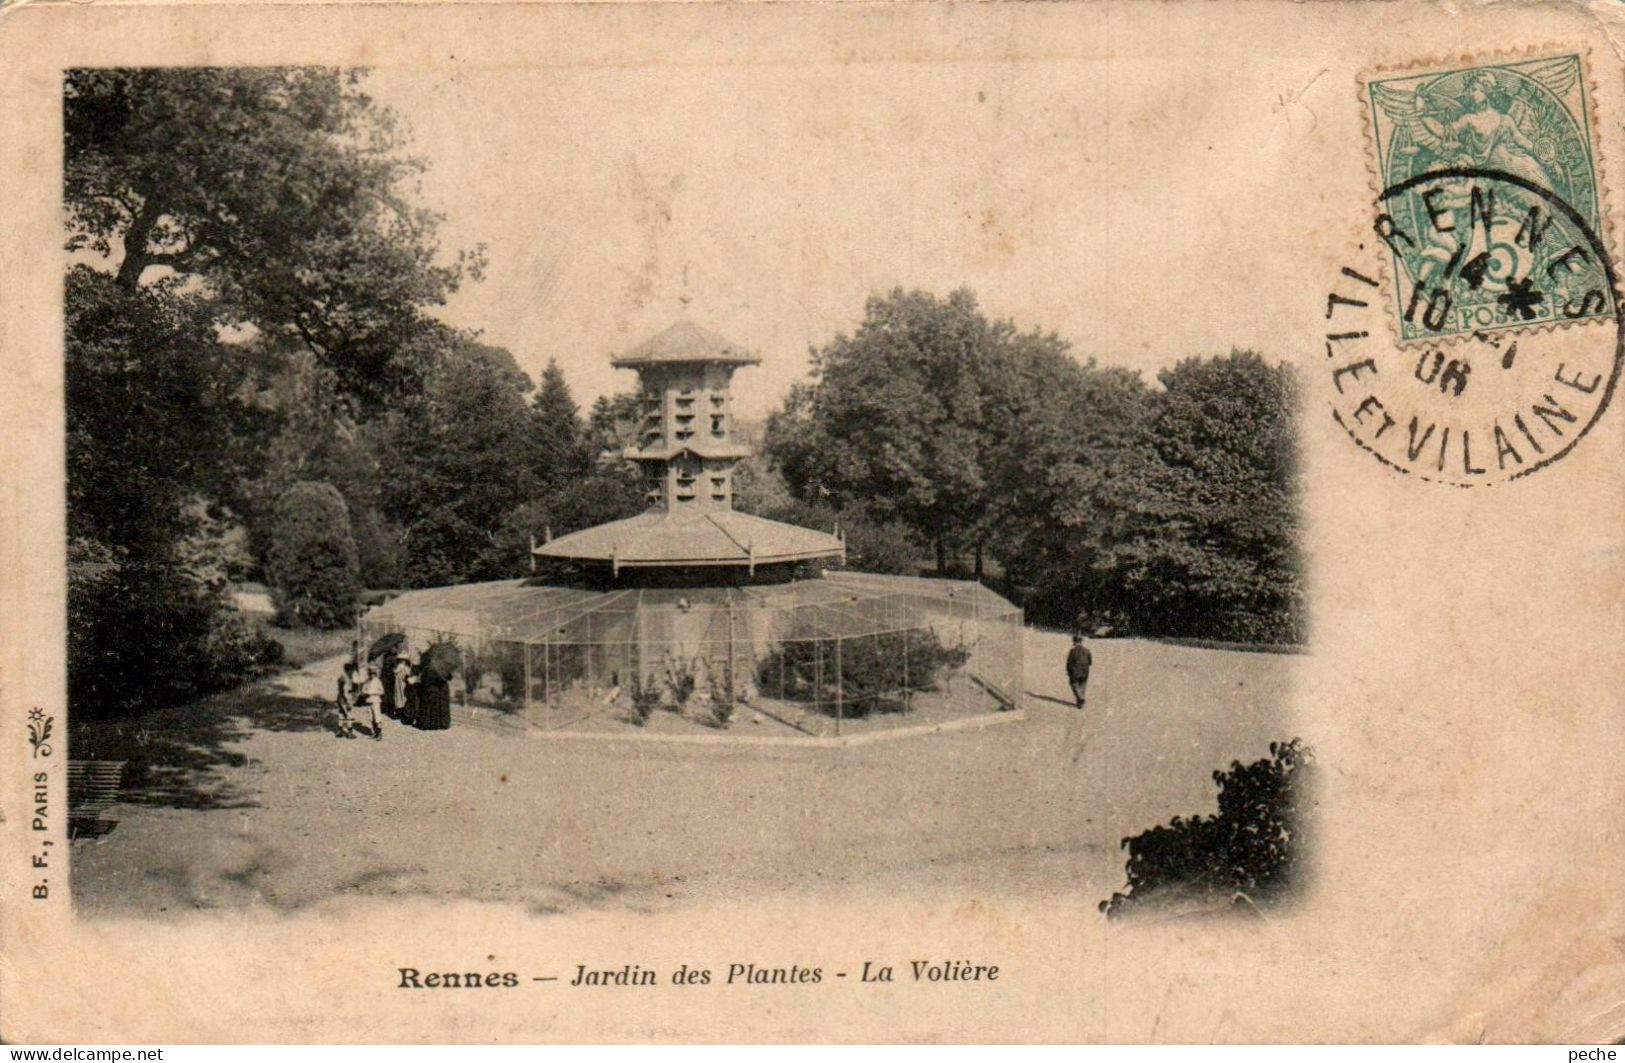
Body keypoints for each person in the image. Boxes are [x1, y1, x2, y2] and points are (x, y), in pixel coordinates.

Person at [356, 664, 385, 740]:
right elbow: (362, 690)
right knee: (371, 717)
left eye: (373, 673)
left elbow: (382, 691)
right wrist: (364, 692)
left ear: (375, 673)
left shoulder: (377, 681)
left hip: (375, 701)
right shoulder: (367, 681)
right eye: (370, 673)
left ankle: (379, 734)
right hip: (368, 700)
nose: (371, 675)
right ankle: (375, 733)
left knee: (377, 717)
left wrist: (373, 692)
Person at [335, 658, 362, 739]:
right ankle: (349, 733)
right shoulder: (346, 679)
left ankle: (340, 731)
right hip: (345, 698)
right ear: (349, 670)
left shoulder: (341, 677)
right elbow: (346, 692)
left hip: (339, 697)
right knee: (348, 714)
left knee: (341, 714)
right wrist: (349, 702)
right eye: (352, 671)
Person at [1066, 634, 1093, 709]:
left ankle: (1081, 699)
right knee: (1082, 686)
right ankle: (1080, 703)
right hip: (1085, 671)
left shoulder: (1072, 651)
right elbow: (1090, 662)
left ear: (1074, 642)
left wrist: (1068, 671)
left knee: (1073, 684)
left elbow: (1069, 662)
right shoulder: (1087, 650)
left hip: (1075, 672)